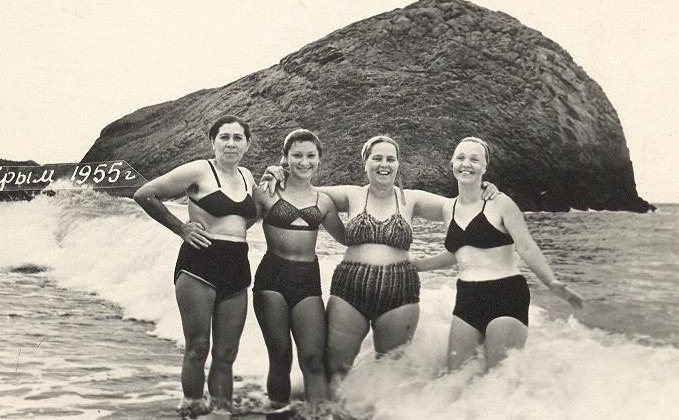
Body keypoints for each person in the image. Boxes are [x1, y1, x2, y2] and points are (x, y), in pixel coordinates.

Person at [262, 135, 498, 399]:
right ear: (365, 162)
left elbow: (465, 209)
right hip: (349, 289)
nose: (383, 164)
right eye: (377, 158)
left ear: (398, 164)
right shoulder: (350, 194)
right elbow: (302, 188)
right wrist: (277, 172)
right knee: (335, 367)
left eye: (390, 159)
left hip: (399, 292)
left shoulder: (413, 199)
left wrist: (481, 187)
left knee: (390, 371)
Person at [413, 136, 584, 372]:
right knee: (455, 377)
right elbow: (460, 253)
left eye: (475, 159)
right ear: (451, 163)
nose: (466, 164)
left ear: (485, 167)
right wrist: (416, 266)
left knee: (497, 380)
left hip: (505, 295)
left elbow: (526, 247)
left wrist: (551, 281)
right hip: (467, 298)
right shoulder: (447, 208)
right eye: (461, 158)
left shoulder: (501, 203)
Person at [133, 115, 257, 417]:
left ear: (247, 143)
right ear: (212, 141)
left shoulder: (247, 177)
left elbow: (250, 216)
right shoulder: (200, 169)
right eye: (224, 137)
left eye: (237, 137)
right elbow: (145, 194)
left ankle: (221, 411)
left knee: (227, 353)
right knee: (198, 347)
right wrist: (181, 228)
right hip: (199, 264)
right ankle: (191, 409)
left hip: (237, 266)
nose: (230, 143)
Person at [251, 129, 345, 408]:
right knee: (280, 358)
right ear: (285, 158)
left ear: (319, 160)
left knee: (313, 359)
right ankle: (277, 412)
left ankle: (318, 415)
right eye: (297, 155)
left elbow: (348, 238)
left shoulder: (324, 201)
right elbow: (237, 227)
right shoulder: (267, 191)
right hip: (272, 280)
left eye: (310, 156)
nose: (304, 162)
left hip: (308, 281)